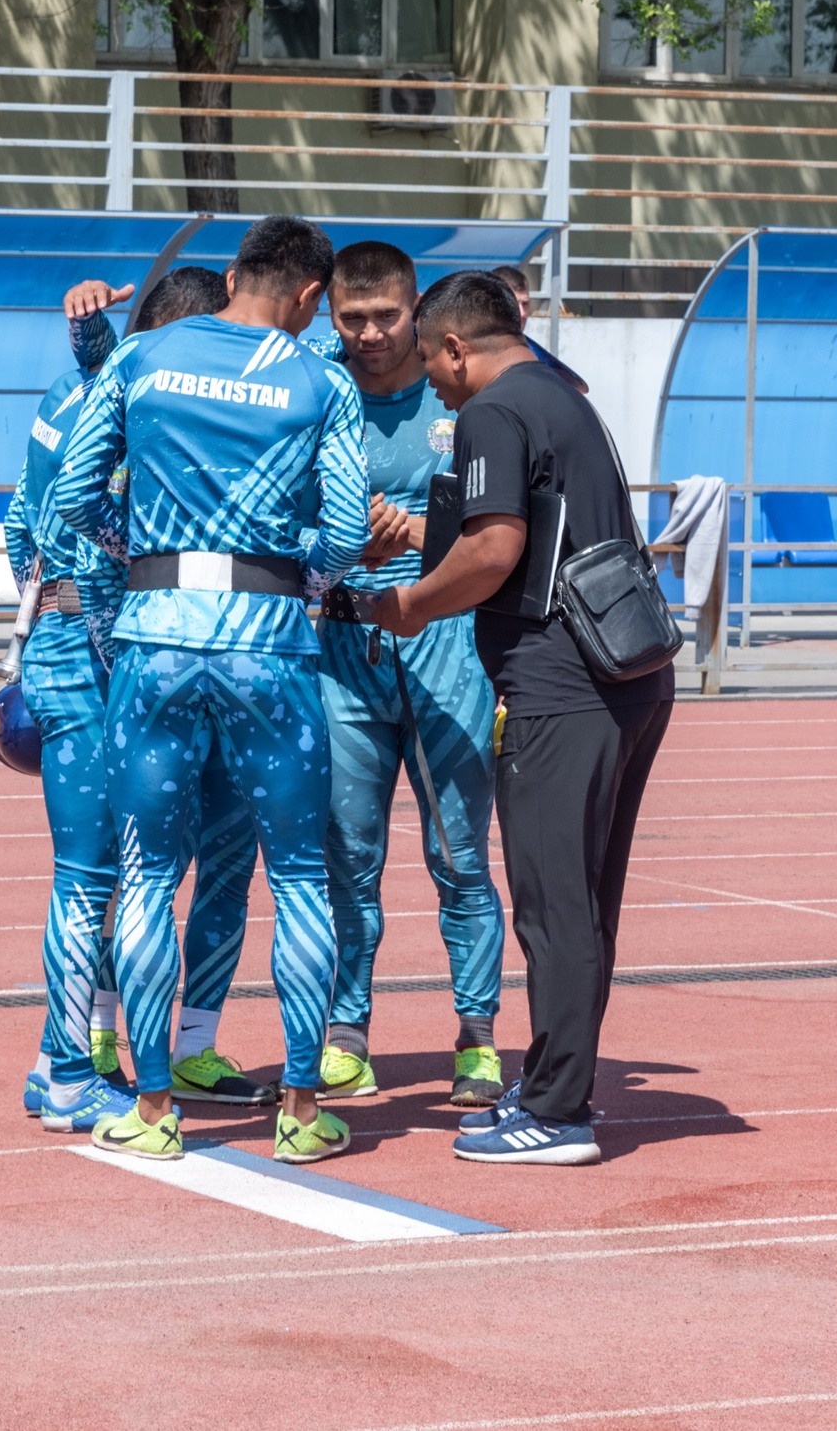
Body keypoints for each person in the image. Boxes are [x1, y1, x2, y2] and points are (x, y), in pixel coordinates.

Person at [53, 214, 371, 1165]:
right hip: (270, 645)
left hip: (152, 639)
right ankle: (303, 1107)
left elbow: (75, 495)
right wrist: (299, 582)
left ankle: (152, 1110)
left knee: (149, 875)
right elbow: (349, 532)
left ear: (234, 272)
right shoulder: (322, 380)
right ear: (312, 297)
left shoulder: (142, 357)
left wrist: (144, 559)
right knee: (302, 877)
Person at [368, 271, 675, 1166]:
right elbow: (532, 533)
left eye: (430, 360)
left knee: (552, 905)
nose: (428, 379)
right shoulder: (563, 399)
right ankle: (553, 1082)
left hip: (561, 686)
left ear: (458, 346)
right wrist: (426, 541)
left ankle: (559, 1109)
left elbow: (496, 550)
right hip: (624, 676)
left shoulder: (491, 414)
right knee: (581, 899)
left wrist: (411, 604)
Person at [6, 266, 263, 1132]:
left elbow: (18, 524)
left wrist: (43, 614)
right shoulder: (145, 405)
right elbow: (95, 524)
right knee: (95, 873)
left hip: (57, 640)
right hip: (94, 654)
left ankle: (57, 1056)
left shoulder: (70, 389)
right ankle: (74, 1069)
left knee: (96, 873)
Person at [307, 240, 507, 1109]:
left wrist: (422, 524)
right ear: (331, 314)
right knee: (345, 856)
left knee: (460, 855)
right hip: (344, 649)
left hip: (445, 643)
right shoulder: (311, 381)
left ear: (415, 307)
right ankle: (347, 1032)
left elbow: (508, 516)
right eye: (352, 318)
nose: (371, 334)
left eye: (387, 315)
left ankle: (477, 1039)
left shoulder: (457, 389)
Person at [489, 264, 590, 392]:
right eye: (514, 303)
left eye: (525, 304)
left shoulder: (536, 357)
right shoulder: (474, 352)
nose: (522, 312)